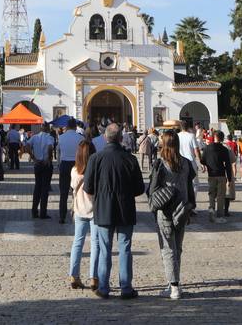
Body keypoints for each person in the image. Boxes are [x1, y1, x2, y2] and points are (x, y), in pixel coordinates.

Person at [83, 123, 145, 300]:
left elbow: (88, 187)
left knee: (105, 249)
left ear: (105, 138)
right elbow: (140, 188)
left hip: (103, 208)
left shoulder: (96, 158)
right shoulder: (130, 159)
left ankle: (103, 287)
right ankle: (125, 287)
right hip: (125, 208)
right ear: (120, 138)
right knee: (125, 248)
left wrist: (99, 196)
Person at [149, 131, 192, 300]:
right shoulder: (186, 163)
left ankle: (173, 287)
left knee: (168, 249)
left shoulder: (160, 163)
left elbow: (152, 188)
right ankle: (175, 282)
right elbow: (190, 186)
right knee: (177, 248)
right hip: (182, 209)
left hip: (165, 210)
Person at [67, 139, 98, 290]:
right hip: (94, 210)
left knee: (77, 243)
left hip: (79, 209)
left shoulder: (74, 170)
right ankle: (94, 277)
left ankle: (74, 275)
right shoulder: (96, 170)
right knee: (95, 244)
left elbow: (73, 187)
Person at [200, 130, 233, 222]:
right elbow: (228, 165)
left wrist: (208, 163)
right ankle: (219, 215)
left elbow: (202, 160)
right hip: (221, 175)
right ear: (222, 139)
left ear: (214, 137)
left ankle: (211, 209)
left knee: (211, 194)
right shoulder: (224, 149)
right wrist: (229, 178)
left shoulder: (207, 148)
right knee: (220, 195)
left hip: (211, 174)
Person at [57, 119, 84, 225]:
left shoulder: (61, 137)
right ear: (75, 126)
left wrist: (58, 164)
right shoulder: (81, 138)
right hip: (77, 165)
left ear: (67, 126)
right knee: (77, 191)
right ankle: (76, 214)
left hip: (64, 164)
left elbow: (58, 152)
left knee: (63, 193)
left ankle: (62, 216)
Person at [28, 124, 55, 219]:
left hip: (37, 164)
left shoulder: (34, 137)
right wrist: (49, 158)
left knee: (37, 188)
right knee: (45, 189)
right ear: (47, 129)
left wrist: (33, 157)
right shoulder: (49, 137)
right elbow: (50, 147)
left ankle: (34, 211)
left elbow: (27, 145)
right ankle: (43, 213)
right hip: (46, 164)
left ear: (41, 128)